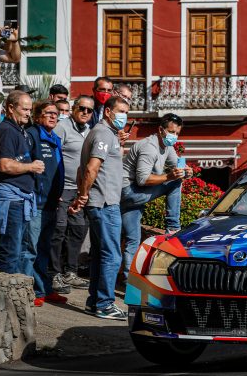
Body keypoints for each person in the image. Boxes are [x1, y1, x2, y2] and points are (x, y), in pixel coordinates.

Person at [69, 96, 130, 320]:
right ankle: (105, 303)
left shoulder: (105, 133)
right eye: (120, 110)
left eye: (126, 111)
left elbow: (82, 168)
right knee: (112, 255)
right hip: (104, 203)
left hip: (101, 202)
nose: (124, 115)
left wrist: (82, 194)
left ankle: (94, 301)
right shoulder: (103, 133)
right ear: (107, 111)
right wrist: (83, 194)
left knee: (100, 254)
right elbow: (90, 168)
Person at [120, 113, 192, 282]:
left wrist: (187, 172)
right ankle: (173, 227)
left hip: (133, 196)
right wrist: (170, 177)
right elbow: (143, 179)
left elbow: (177, 167)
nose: (174, 136)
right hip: (129, 191)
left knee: (133, 239)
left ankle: (128, 280)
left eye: (177, 133)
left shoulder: (167, 146)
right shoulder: (149, 147)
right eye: (171, 131)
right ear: (160, 130)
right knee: (175, 183)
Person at [0, 90, 44, 273]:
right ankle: (5, 299)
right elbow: (5, 165)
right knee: (10, 253)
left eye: (30, 110)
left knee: (20, 251)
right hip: (12, 201)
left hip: (22, 200)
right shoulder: (7, 130)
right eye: (24, 109)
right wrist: (31, 167)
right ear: (10, 108)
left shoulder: (21, 131)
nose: (28, 113)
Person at [25, 101, 67, 306]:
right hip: (37, 202)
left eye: (56, 113)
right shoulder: (32, 134)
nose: (53, 116)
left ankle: (43, 288)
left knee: (44, 249)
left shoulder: (55, 138)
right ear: (37, 115)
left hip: (52, 202)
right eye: (48, 113)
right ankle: (29, 292)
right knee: (30, 248)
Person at [50, 96, 94, 293]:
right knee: (58, 231)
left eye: (89, 110)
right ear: (74, 109)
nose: (85, 113)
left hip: (80, 190)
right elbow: (53, 156)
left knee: (78, 230)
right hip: (62, 188)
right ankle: (54, 274)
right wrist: (55, 188)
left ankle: (71, 272)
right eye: (82, 108)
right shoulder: (62, 127)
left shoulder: (90, 132)